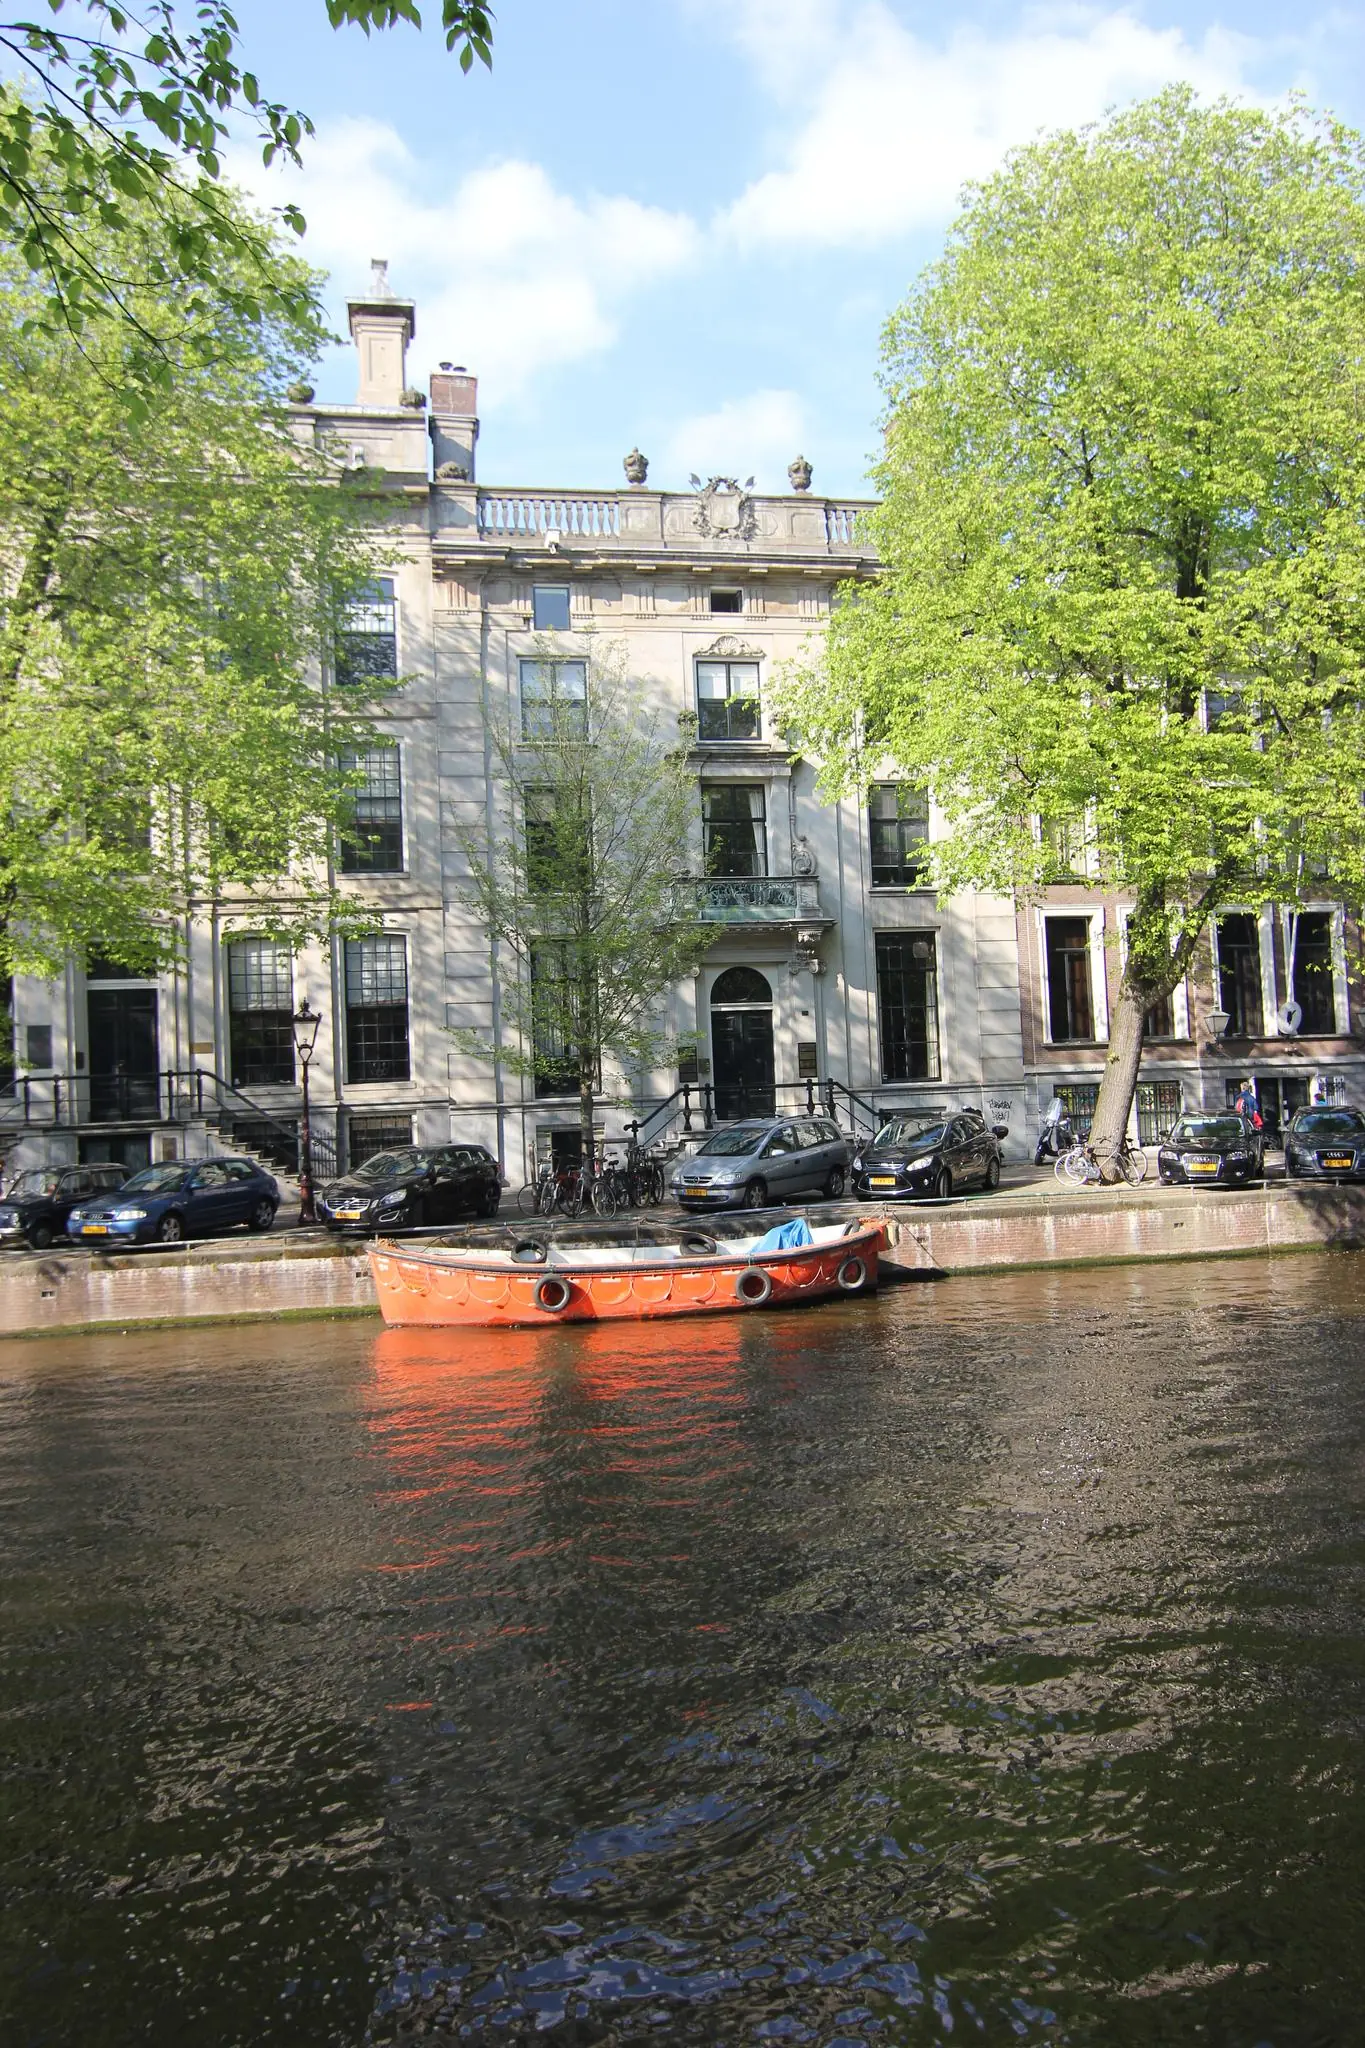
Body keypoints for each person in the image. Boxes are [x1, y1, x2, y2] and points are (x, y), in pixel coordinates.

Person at [1034, 1094, 1074, 1164]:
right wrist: (1042, 1116)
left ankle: (1062, 1152)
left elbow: (1065, 1118)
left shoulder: (1064, 1108)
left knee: (1061, 1140)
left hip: (1059, 1127)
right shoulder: (1055, 1109)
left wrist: (1065, 1121)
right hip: (1051, 1126)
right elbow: (1049, 1116)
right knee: (1045, 1136)